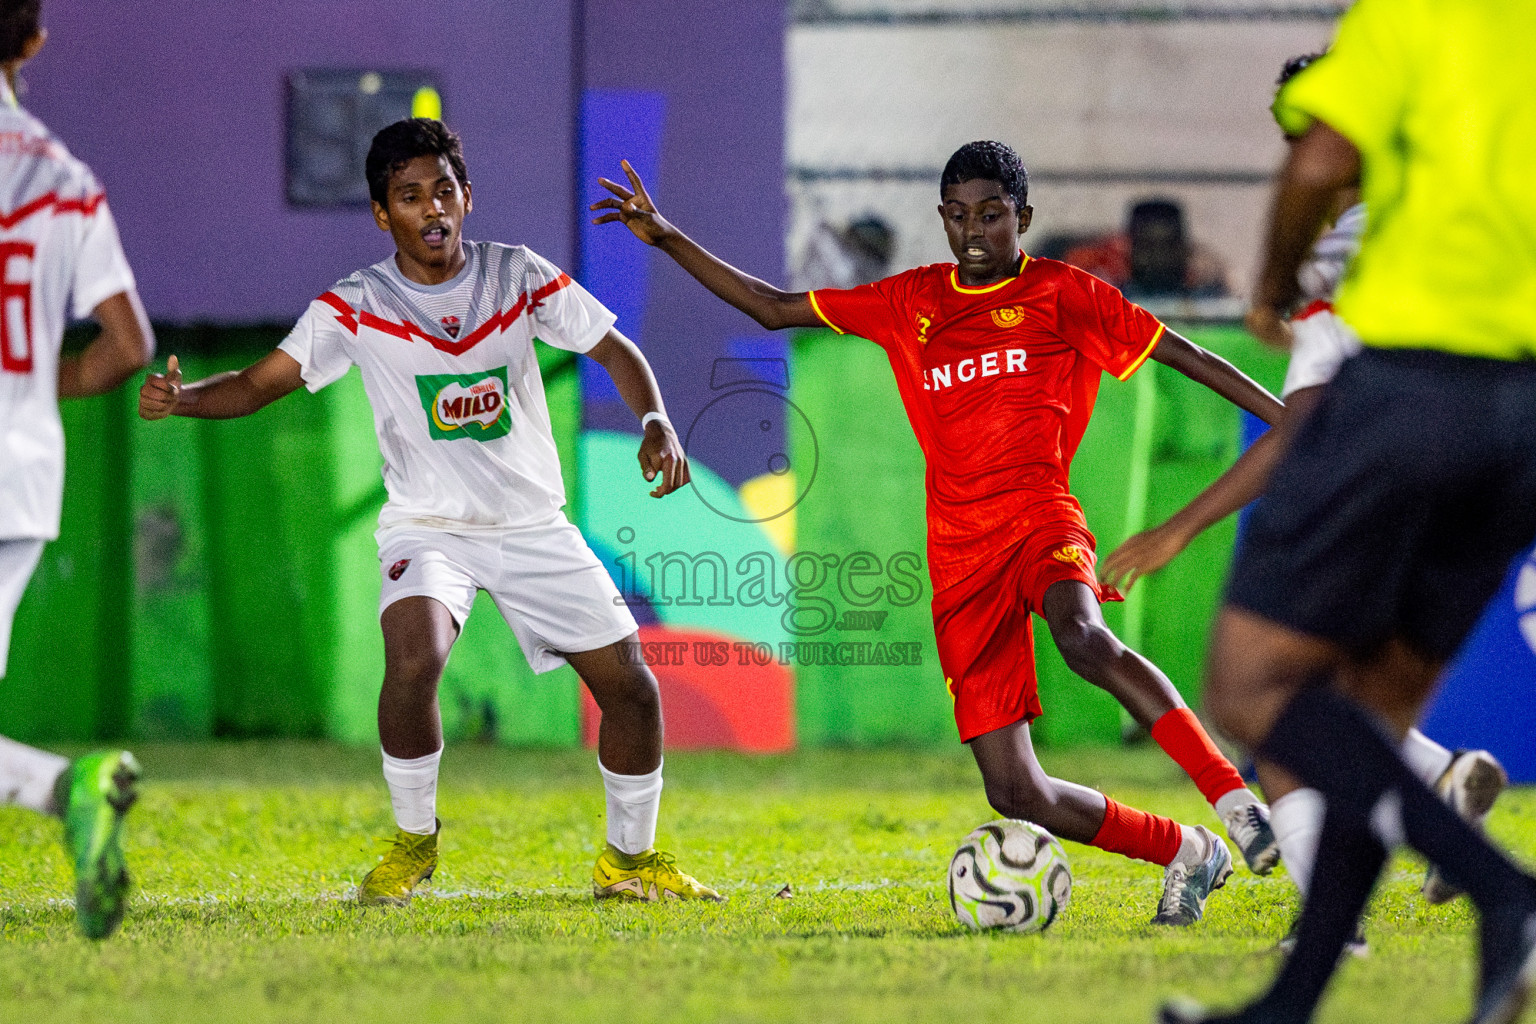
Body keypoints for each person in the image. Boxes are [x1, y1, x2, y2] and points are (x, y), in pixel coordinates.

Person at [594, 140, 1284, 926]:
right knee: (1015, 791)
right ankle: (1191, 851)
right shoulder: (911, 300)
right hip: (959, 556)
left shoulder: (1066, 294)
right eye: (959, 217)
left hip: (1040, 520)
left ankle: (1234, 800)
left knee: (1084, 638)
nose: (976, 231)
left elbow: (1186, 353)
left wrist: (1288, 419)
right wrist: (668, 236)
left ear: (1023, 217)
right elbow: (773, 306)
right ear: (943, 222)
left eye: (993, 215)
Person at [138, 118, 720, 906]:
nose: (431, 207)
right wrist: (184, 401)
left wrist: (654, 420)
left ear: (467, 197)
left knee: (634, 690)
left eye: (443, 189)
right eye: (409, 196)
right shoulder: (357, 303)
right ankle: (413, 845)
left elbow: (616, 349)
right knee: (413, 661)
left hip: (532, 525)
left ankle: (629, 862)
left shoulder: (517, 274)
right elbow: (258, 381)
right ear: (385, 215)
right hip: (430, 528)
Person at [1160, 2, 1536, 1021]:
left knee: (1250, 689)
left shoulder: (1415, 18)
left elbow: (1322, 161)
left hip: (1414, 388)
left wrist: (1271, 287)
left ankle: (1505, 892)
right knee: (1365, 721)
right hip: (1524, 414)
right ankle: (1293, 1002)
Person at [0, 0, 152, 939]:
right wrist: (30, 387)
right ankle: (70, 789)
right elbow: (127, 343)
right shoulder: (64, 176)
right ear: (32, 42)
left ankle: (69, 789)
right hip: (20, 467)